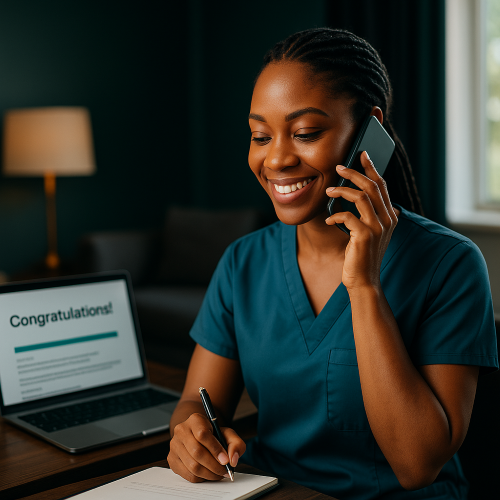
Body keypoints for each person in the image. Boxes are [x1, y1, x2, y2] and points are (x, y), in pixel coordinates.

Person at [167, 28, 498, 499]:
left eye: (305, 133)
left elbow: (417, 465)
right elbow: (193, 405)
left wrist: (364, 288)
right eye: (260, 135)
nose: (276, 158)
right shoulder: (243, 262)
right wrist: (190, 435)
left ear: (370, 129)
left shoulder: (449, 265)